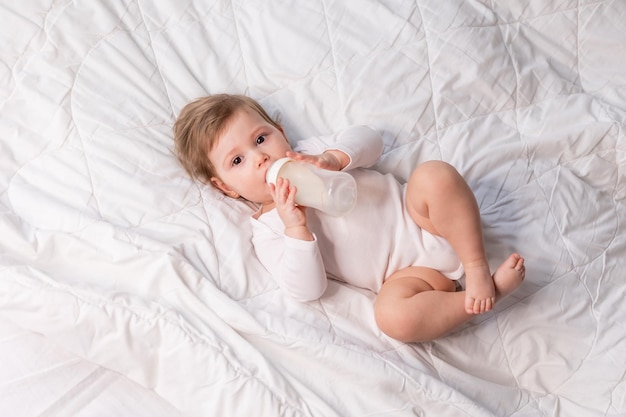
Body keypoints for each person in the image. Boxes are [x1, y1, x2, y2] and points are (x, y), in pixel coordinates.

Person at [174, 94, 525, 342]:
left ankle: (476, 267)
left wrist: (337, 157)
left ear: (279, 130)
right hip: (407, 276)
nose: (260, 158)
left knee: (434, 175)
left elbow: (370, 139)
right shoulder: (268, 229)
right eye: (237, 161)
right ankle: (478, 298)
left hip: (419, 215)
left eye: (261, 138)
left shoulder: (311, 153)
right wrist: (297, 228)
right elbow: (307, 290)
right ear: (226, 188)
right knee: (392, 318)